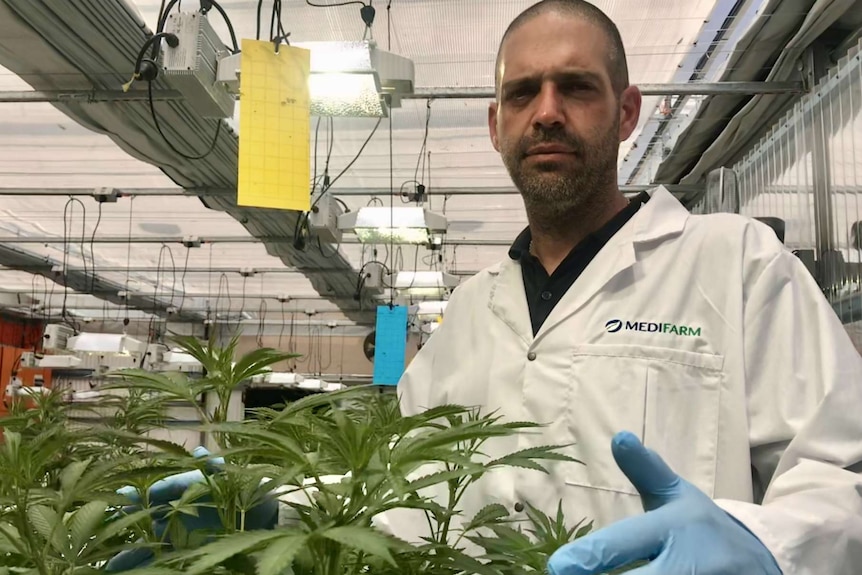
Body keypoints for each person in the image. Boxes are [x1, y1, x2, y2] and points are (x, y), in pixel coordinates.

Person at [108, 1, 862, 573]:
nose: (548, 112)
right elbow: (411, 491)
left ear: (627, 112)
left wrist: (767, 546)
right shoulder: (468, 315)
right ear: (496, 124)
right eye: (525, 92)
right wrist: (279, 510)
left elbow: (844, 474)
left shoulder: (735, 265)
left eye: (577, 87)